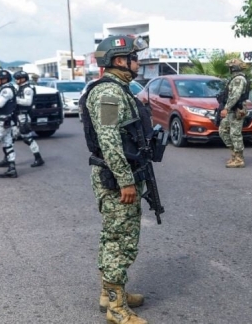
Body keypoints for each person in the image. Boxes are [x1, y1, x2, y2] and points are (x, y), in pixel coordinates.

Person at [81, 34, 150, 324]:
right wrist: (125, 181)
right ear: (120, 61)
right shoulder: (109, 93)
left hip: (121, 172)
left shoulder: (121, 89)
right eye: (135, 57)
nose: (138, 62)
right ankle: (117, 308)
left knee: (114, 236)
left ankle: (110, 293)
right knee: (121, 240)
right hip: (115, 177)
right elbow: (109, 140)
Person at [0, 71, 45, 168]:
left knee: (27, 138)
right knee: (9, 139)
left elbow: (28, 102)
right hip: (16, 116)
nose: (16, 80)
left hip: (23, 117)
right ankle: (7, 159)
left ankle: (38, 158)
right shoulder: (20, 88)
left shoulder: (27, 89)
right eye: (16, 78)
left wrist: (14, 99)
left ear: (23, 79)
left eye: (18, 78)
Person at [219, 58, 250, 168]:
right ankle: (234, 153)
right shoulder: (234, 79)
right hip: (232, 110)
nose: (229, 69)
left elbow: (235, 96)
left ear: (234, 68)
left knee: (235, 134)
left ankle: (239, 158)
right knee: (223, 130)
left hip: (237, 110)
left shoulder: (239, 79)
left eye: (230, 67)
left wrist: (226, 108)